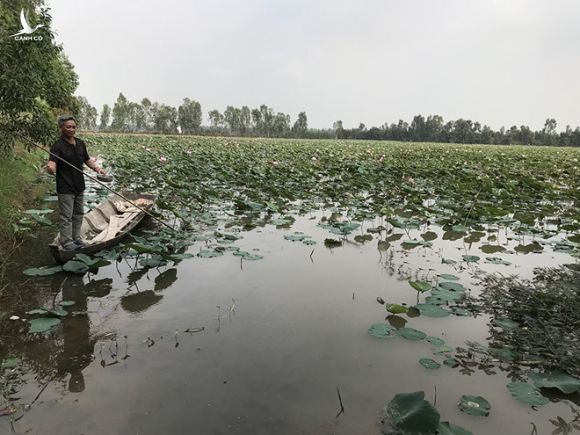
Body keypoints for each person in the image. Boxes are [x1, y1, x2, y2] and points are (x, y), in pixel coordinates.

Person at [46, 115, 106, 250]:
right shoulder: (57, 146)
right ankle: (66, 242)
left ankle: (76, 238)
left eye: (74, 127)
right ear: (61, 128)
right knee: (66, 216)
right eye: (68, 127)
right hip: (65, 187)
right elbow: (52, 164)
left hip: (79, 185)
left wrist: (97, 168)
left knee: (78, 214)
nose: (72, 129)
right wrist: (50, 169)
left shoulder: (80, 143)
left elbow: (87, 159)